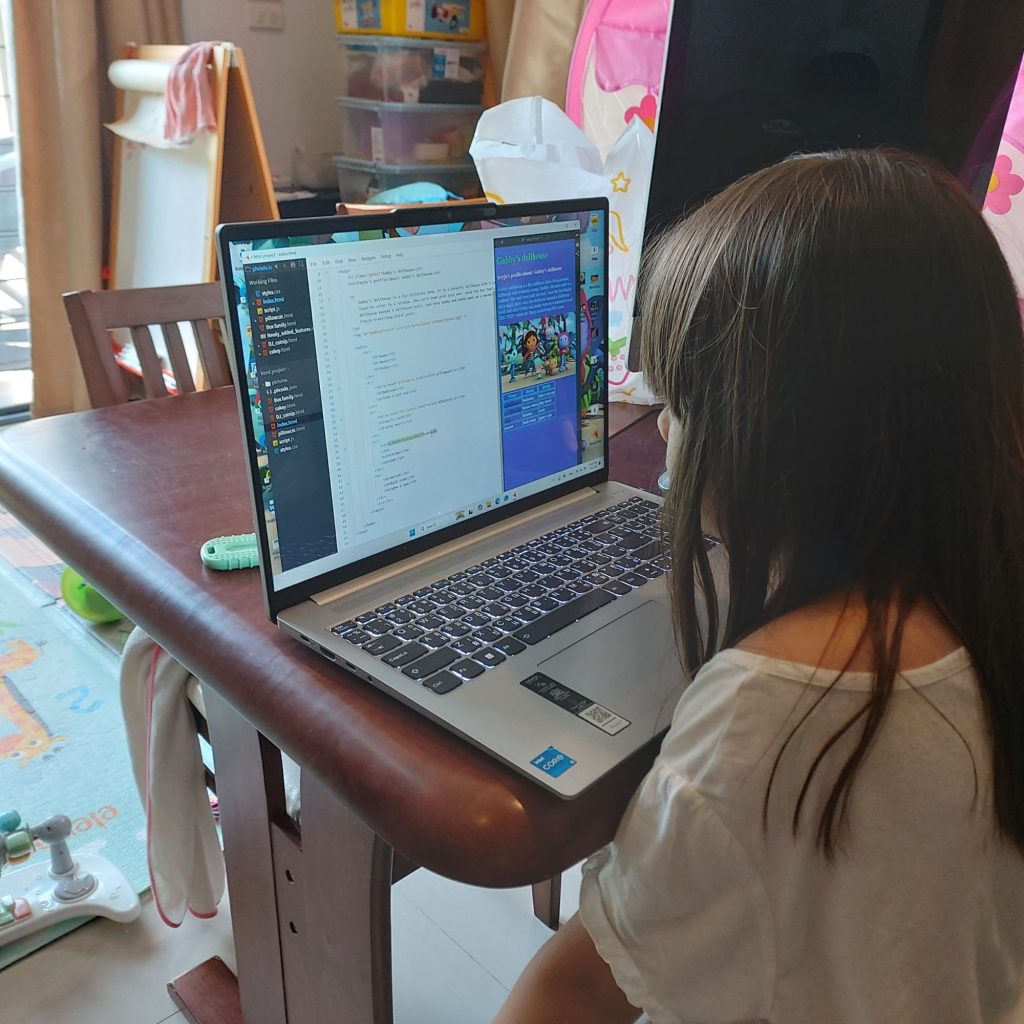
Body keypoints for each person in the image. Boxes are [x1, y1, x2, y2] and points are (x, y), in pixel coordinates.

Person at [491, 148, 1024, 1024]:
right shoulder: (984, 598)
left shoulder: (772, 717)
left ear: (779, 435)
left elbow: (579, 992)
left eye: (681, 402)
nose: (665, 430)